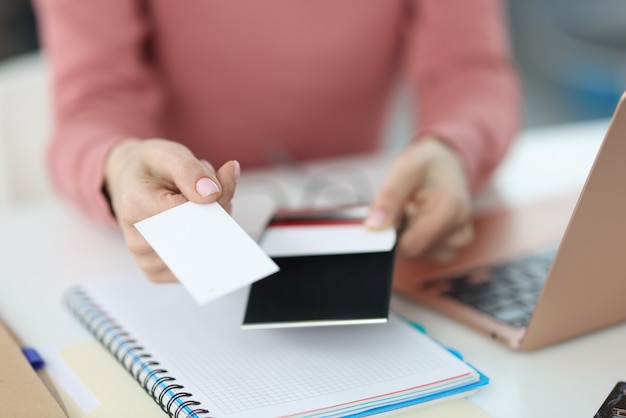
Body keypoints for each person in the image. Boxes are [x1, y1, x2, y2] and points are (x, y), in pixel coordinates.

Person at [34, 0, 521, 283]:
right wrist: (119, 167)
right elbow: (91, 105)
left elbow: (469, 70)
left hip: (360, 230)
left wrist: (453, 148)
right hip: (172, 252)